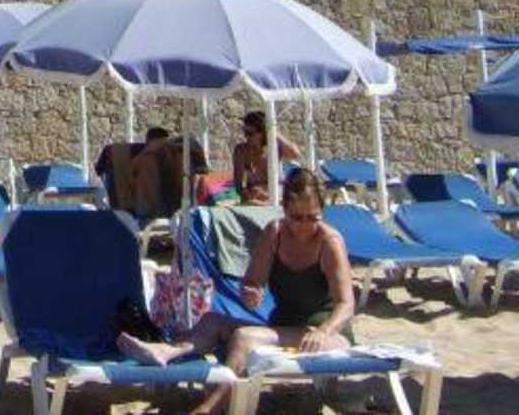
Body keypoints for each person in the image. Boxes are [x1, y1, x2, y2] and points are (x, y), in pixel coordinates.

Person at [117, 168, 355, 415]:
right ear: (284, 210)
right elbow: (251, 284)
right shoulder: (275, 234)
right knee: (211, 321)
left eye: (313, 218)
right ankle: (166, 351)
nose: (305, 226)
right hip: (283, 327)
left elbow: (346, 304)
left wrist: (324, 331)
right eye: (297, 217)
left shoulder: (329, 242)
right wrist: (250, 294)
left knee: (244, 338)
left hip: (325, 334)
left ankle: (210, 409)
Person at [232, 110, 300, 204]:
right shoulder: (241, 151)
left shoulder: (274, 148)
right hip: (254, 199)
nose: (246, 137)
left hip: (277, 197)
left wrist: (273, 131)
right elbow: (238, 184)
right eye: (245, 132)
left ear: (262, 133)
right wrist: (248, 195)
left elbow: (295, 154)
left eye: (250, 133)